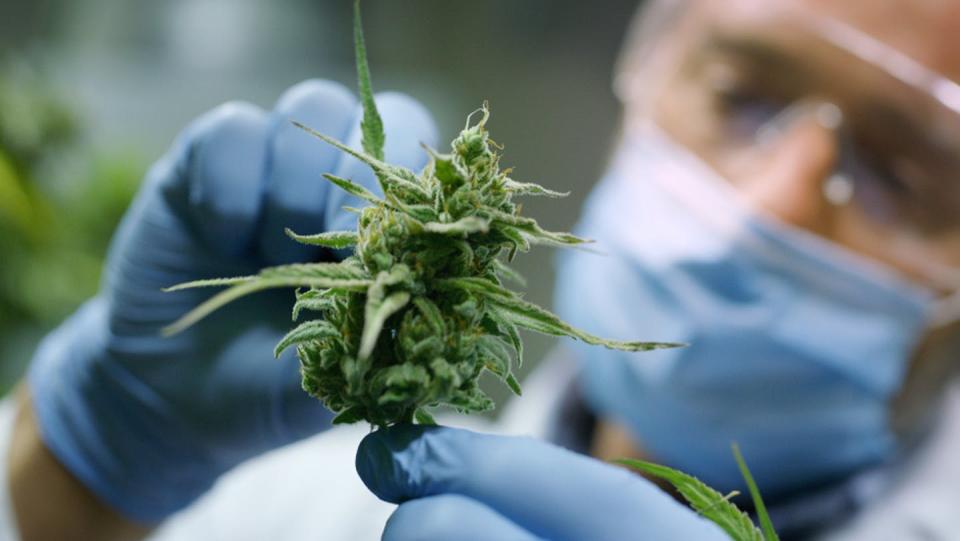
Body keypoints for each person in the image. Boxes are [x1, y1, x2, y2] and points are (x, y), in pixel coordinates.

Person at [4, 0, 960, 539]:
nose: (774, 202)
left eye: (902, 171)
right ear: (646, 80)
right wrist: (83, 477)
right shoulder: (309, 501)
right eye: (743, 95)